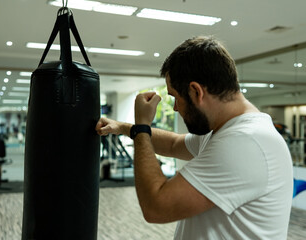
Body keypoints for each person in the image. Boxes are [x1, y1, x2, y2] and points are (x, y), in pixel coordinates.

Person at [95, 36, 293, 239]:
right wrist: (121, 127)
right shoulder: (228, 132)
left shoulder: (244, 143)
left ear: (196, 91)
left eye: (175, 97)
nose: (175, 107)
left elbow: (156, 207)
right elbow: (173, 144)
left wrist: (142, 128)